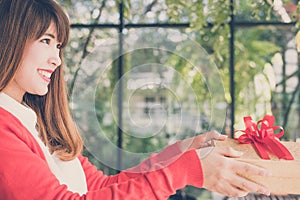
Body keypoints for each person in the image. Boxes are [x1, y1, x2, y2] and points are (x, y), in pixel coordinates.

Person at [0, 0, 271, 199]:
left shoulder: (34, 124)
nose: (56, 59)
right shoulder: (3, 127)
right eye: (46, 41)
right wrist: (185, 170)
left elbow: (99, 187)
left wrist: (181, 153)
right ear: (9, 39)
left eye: (58, 46)